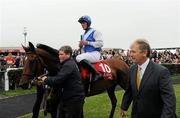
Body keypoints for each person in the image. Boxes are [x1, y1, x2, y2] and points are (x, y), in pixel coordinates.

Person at [120, 39, 176, 118]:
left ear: (144, 53)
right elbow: (129, 91)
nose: (130, 54)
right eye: (130, 51)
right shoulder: (132, 69)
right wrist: (124, 107)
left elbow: (169, 100)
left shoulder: (161, 72)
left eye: (133, 52)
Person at [38, 45, 85, 118]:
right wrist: (45, 80)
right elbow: (61, 79)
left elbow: (58, 80)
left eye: (61, 54)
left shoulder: (68, 65)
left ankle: (96, 74)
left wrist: (45, 79)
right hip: (67, 97)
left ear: (68, 54)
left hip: (73, 99)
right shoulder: (67, 63)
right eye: (59, 54)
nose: (59, 56)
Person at [76, 15, 103, 81]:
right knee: (75, 57)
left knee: (78, 58)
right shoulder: (84, 34)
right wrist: (81, 46)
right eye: (81, 23)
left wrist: (87, 43)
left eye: (83, 23)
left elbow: (101, 44)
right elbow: (84, 48)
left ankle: (96, 73)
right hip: (88, 54)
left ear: (88, 23)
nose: (82, 24)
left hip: (95, 53)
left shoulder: (96, 31)